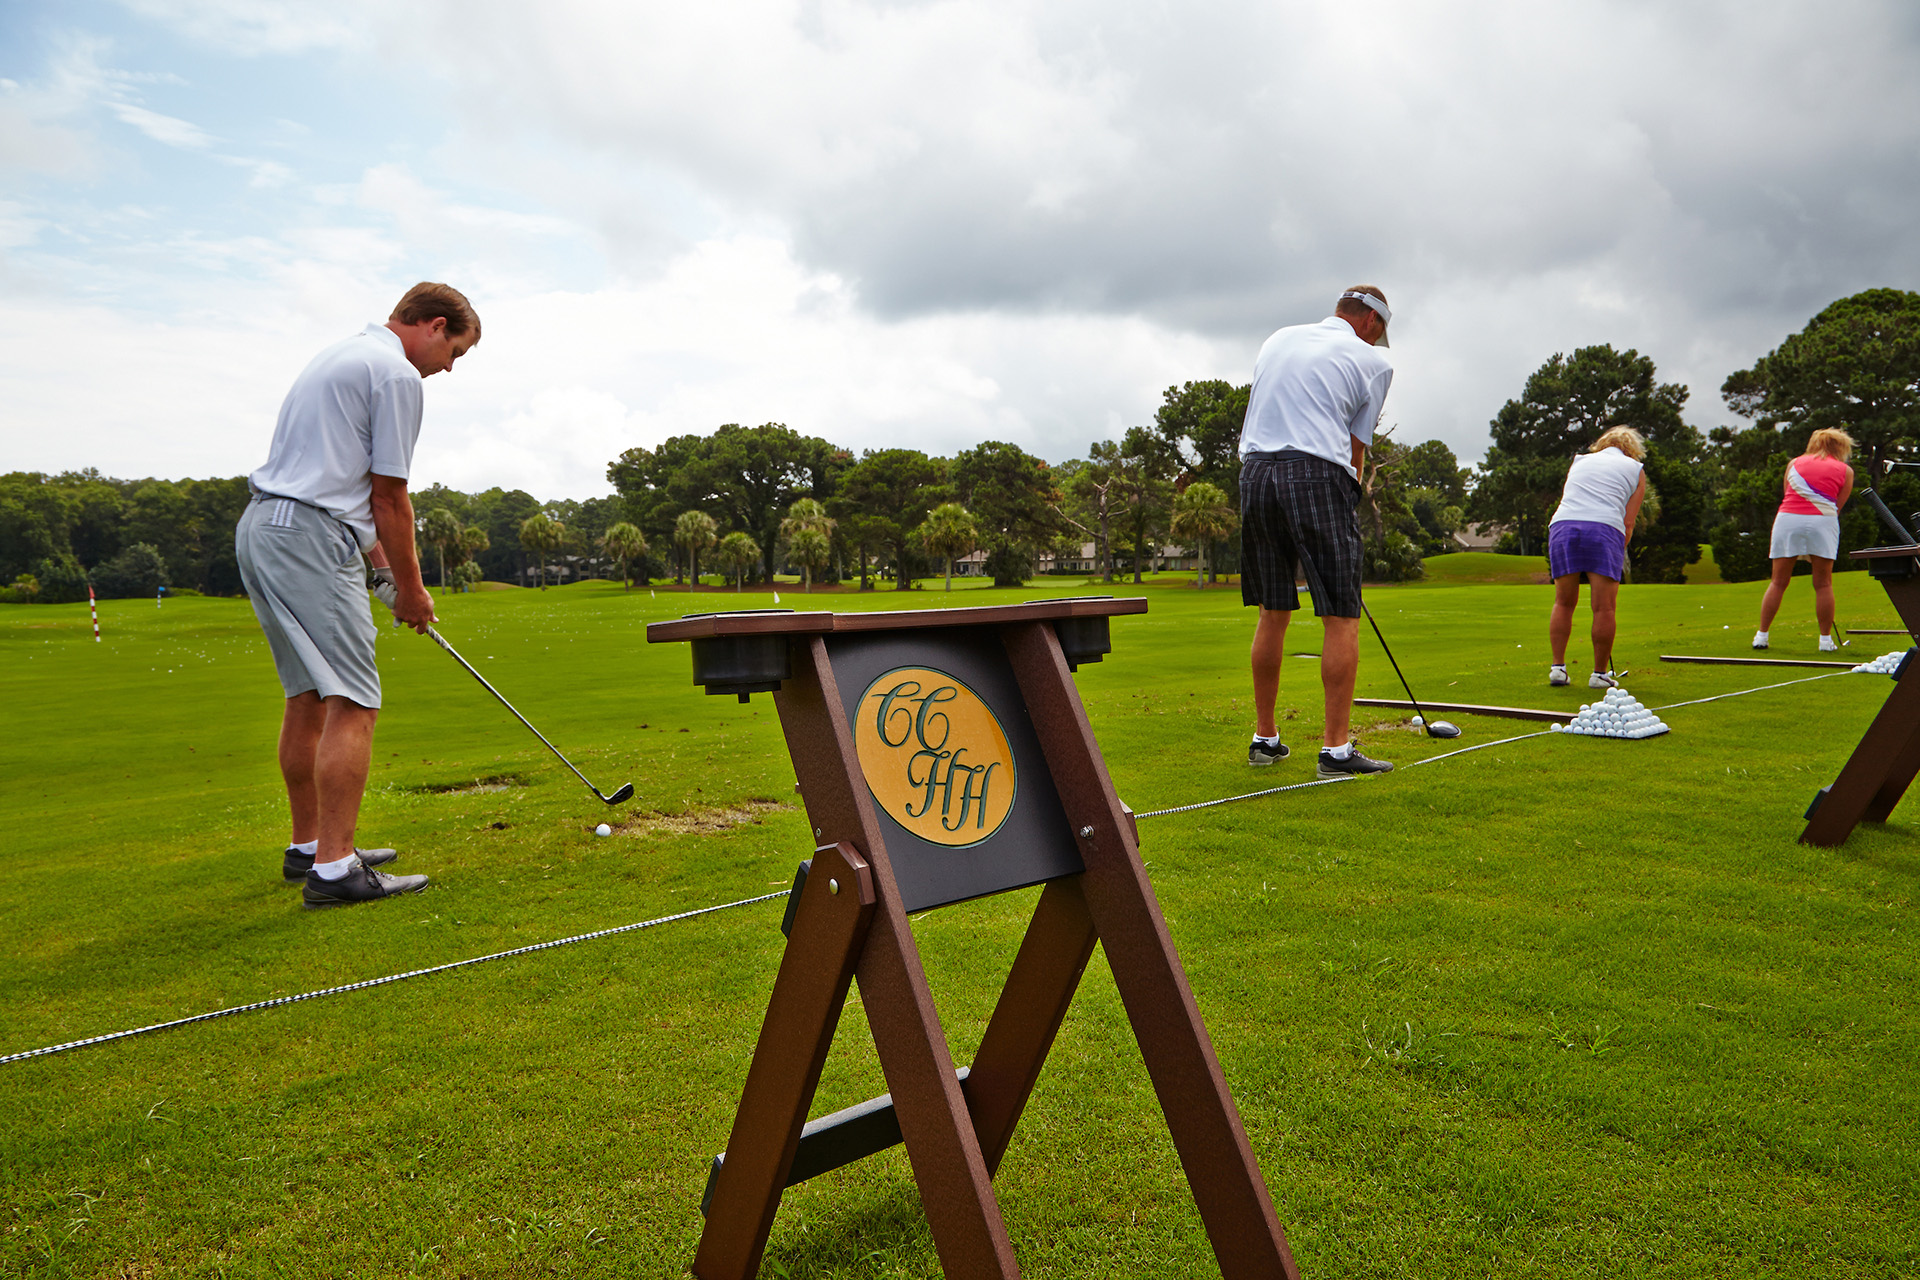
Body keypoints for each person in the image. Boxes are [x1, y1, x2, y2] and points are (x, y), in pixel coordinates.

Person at [235, 282, 480, 908]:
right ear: (430, 325)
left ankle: (310, 847)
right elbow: (389, 497)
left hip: (267, 527)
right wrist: (413, 591)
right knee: (354, 700)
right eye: (455, 350)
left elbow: (348, 488)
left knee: (309, 695)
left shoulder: (342, 354)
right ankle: (336, 869)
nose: (449, 367)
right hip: (311, 535)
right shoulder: (396, 375)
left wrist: (380, 569)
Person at [1240, 285, 1396, 780]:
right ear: (1371, 321)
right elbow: (1355, 448)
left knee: (1273, 611)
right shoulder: (1374, 364)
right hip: (1315, 473)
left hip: (1255, 474)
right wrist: (1347, 499)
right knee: (1340, 615)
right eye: (1379, 333)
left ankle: (1265, 739)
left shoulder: (1278, 338)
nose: (1376, 342)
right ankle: (1335, 750)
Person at [1545, 426, 1648, 689]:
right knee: (1604, 607)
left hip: (1563, 526)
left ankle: (1558, 668)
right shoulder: (1636, 470)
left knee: (1563, 602)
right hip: (1604, 529)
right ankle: (1599, 674)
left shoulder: (1580, 461)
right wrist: (1619, 547)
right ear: (1632, 450)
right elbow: (1629, 521)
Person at [1753, 428, 1856, 652]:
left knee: (1778, 581)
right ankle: (1825, 641)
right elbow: (1837, 506)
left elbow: (1786, 494)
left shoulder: (1794, 464)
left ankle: (1761, 636)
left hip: (1788, 519)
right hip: (1823, 521)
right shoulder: (1846, 471)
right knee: (1823, 583)